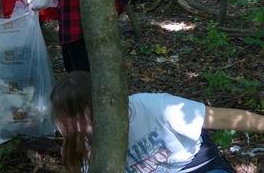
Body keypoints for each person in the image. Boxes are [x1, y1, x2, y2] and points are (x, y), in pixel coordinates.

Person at [50, 71, 264, 173]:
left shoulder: (155, 107)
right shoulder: (80, 144)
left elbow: (228, 118)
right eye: (72, 123)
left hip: (194, 166)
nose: (81, 127)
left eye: (84, 116)